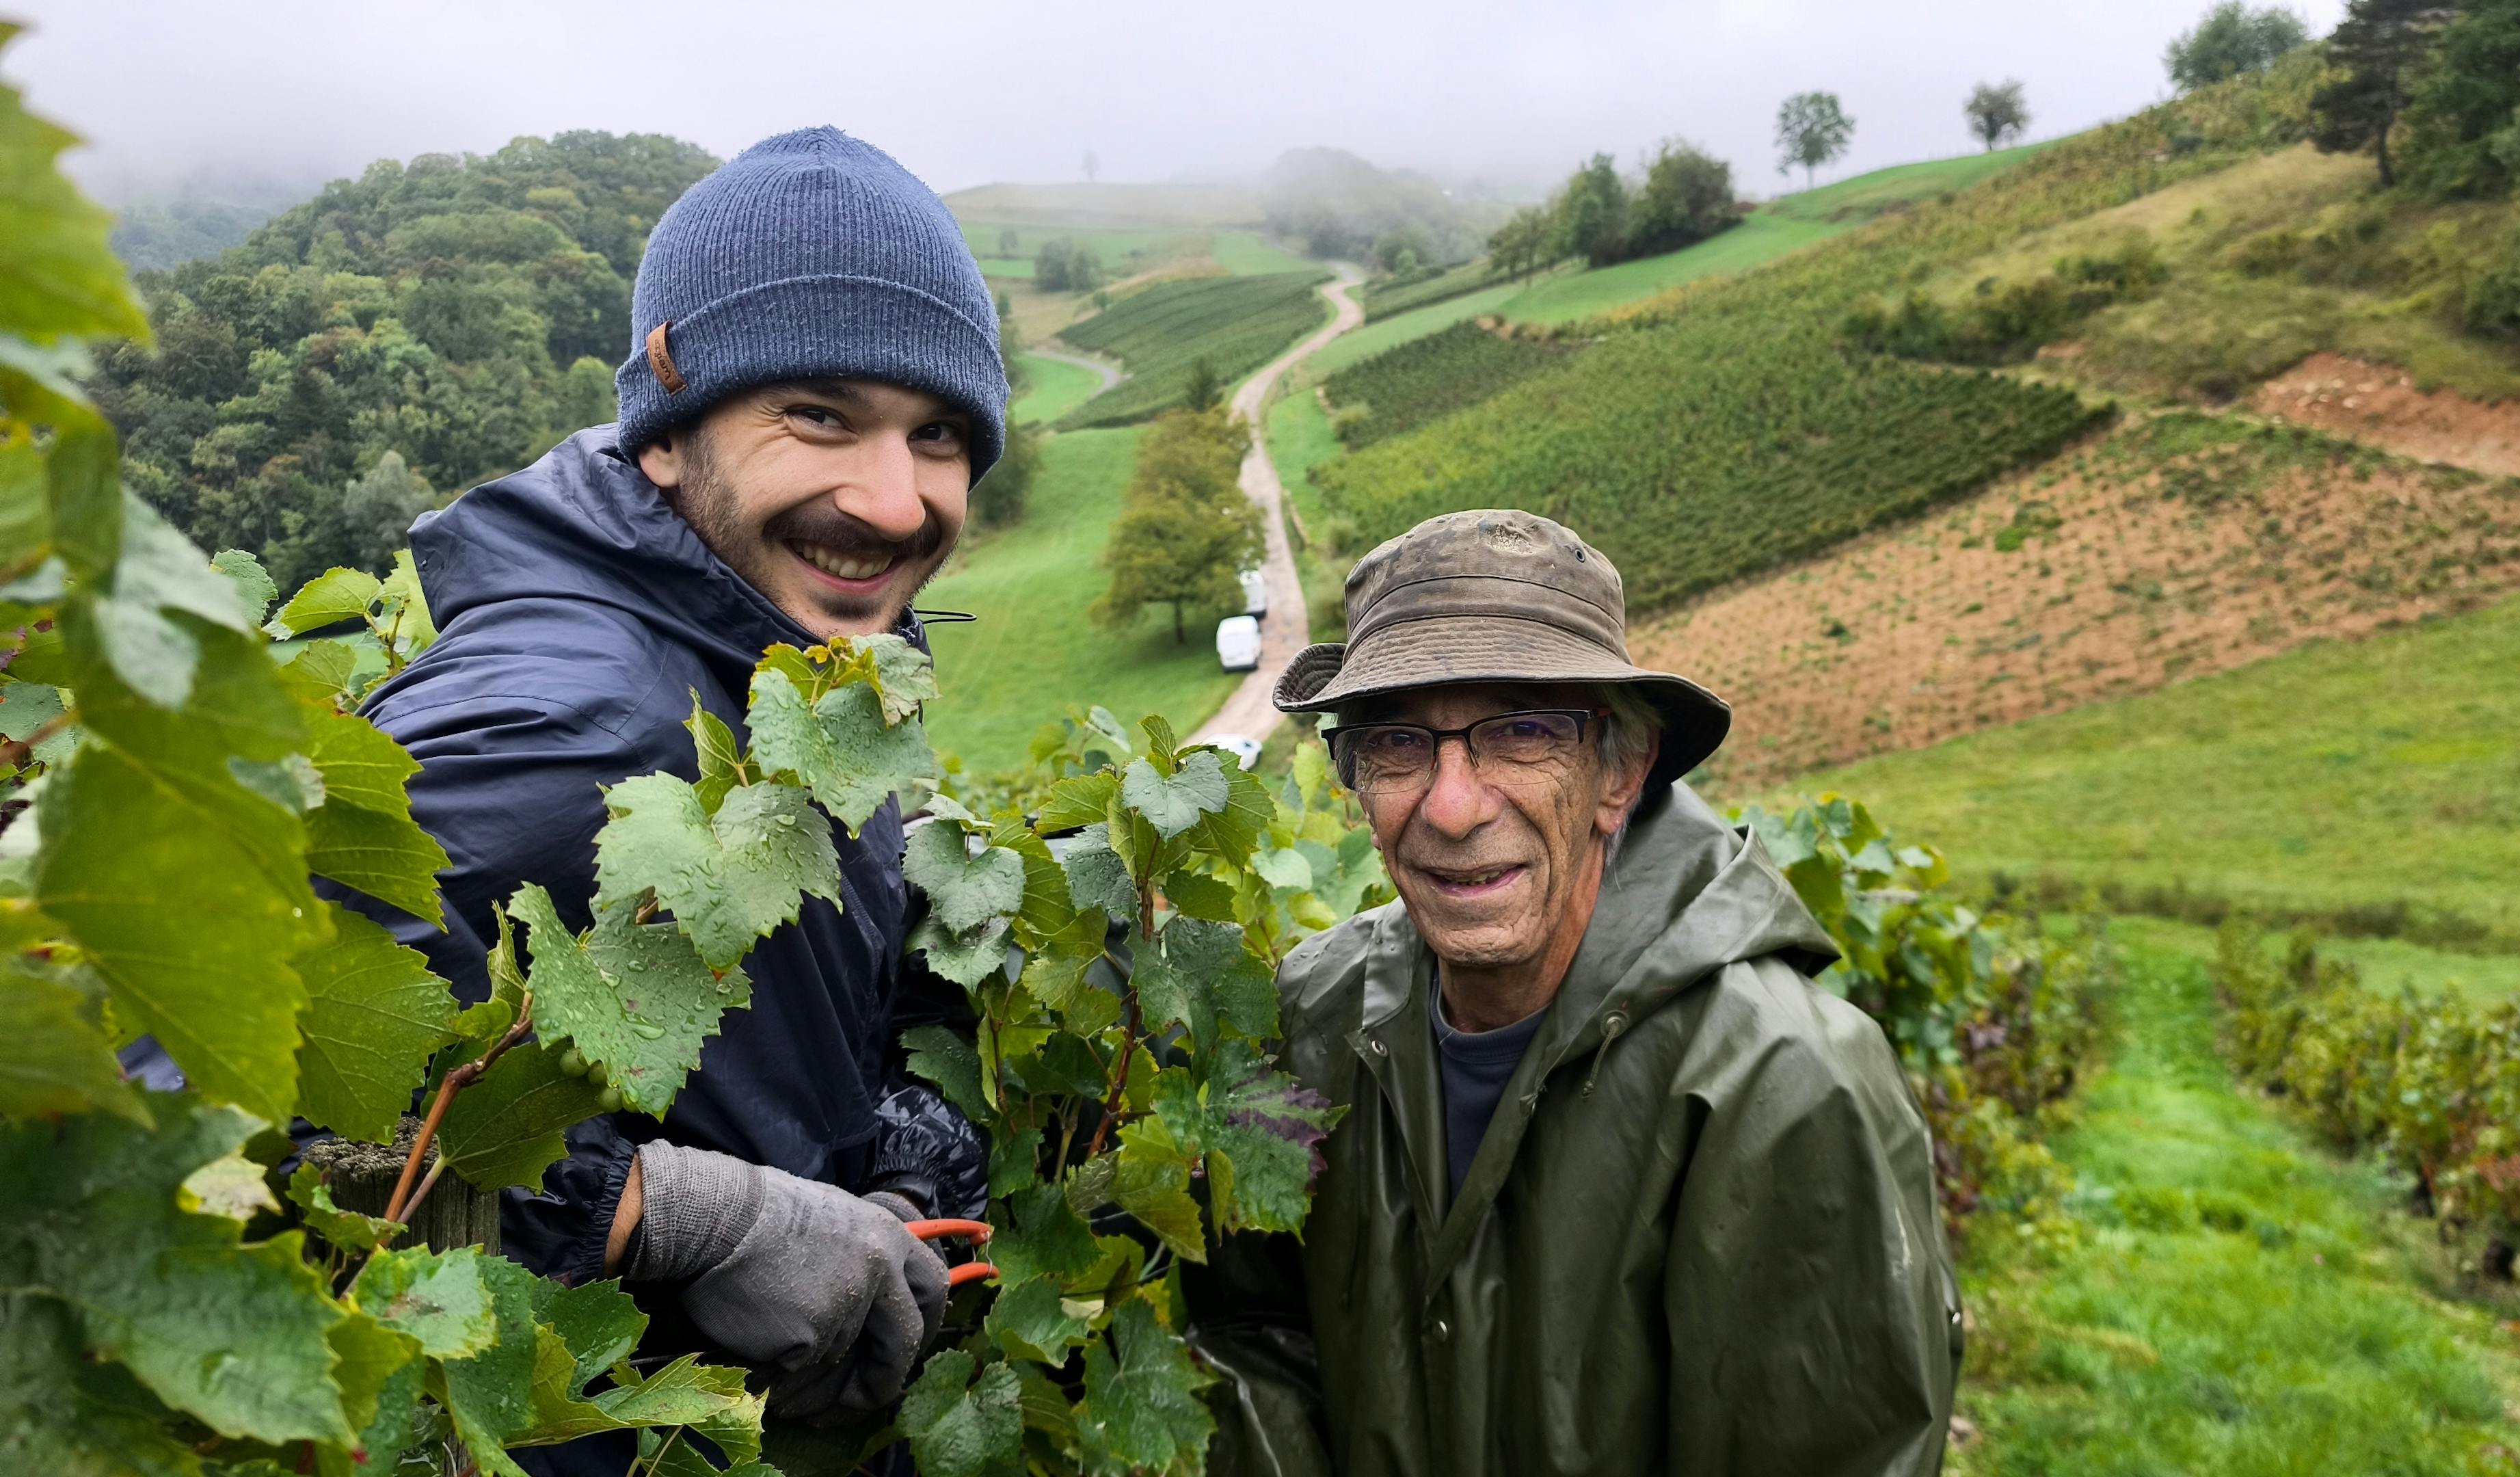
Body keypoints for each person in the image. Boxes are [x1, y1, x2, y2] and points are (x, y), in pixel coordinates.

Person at [353, 127, 1008, 1468]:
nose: (893, 500)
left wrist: (880, 1168)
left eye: (936, 433)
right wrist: (672, 1216)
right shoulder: (575, 717)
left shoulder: (791, 678)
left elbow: (769, 1029)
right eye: (817, 414)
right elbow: (223, 1141)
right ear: (665, 434)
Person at [1188, 509, 1962, 1476]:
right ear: (1354, 774)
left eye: (1521, 732)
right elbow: (1256, 1336)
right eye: (1396, 744)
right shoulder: (1312, 1017)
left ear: (1621, 770)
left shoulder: (1785, 1086)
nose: (1452, 806)